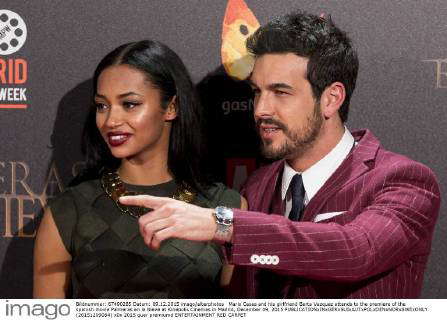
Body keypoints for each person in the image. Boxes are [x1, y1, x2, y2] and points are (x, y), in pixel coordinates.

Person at [119, 12, 441, 298]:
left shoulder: (402, 181)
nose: (260, 110)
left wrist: (222, 224)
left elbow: (357, 250)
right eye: (257, 92)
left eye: (281, 92)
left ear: (331, 98)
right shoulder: (256, 187)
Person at [33, 40, 246, 298]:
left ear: (171, 107)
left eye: (130, 104)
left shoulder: (225, 207)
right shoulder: (69, 211)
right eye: (102, 105)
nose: (111, 120)